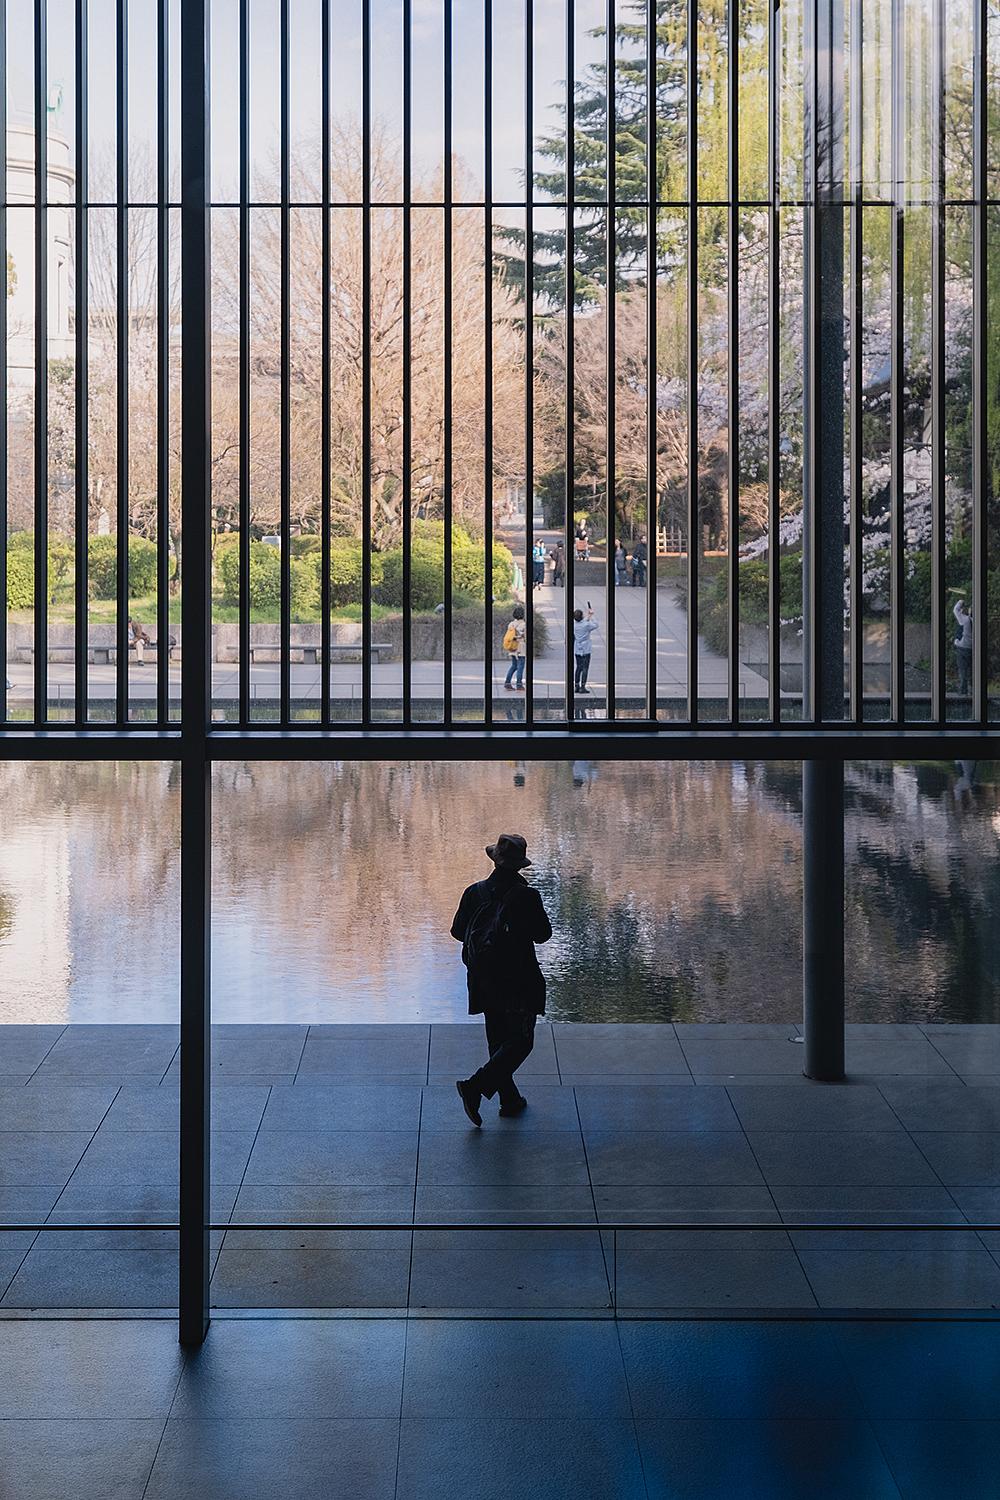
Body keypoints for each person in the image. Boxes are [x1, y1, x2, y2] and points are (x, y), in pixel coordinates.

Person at [452, 833, 552, 1125]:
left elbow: (458, 932)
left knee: (498, 1039)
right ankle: (475, 1087)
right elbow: (543, 935)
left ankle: (509, 1099)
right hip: (519, 979)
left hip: (483, 978)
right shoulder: (527, 896)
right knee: (521, 1041)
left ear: (495, 860)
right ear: (520, 865)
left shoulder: (475, 892)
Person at [573, 605, 599, 694]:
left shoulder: (574, 624)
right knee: (585, 668)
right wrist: (592, 617)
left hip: (577, 648)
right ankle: (583, 686)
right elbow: (595, 625)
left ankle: (576, 685)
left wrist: (588, 616)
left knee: (578, 667)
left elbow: (582, 622)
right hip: (586, 649)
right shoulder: (586, 625)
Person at [503, 603, 526, 692]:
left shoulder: (511, 624)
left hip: (512, 646)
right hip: (520, 647)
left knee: (513, 666)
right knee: (520, 666)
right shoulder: (523, 624)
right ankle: (519, 685)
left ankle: (507, 683)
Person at [953, 596, 973, 695]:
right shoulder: (978, 622)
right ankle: (974, 690)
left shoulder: (965, 620)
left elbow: (955, 610)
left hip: (962, 647)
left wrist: (961, 601)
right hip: (973, 649)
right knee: (972, 670)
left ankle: (963, 690)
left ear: (970, 612)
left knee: (962, 669)